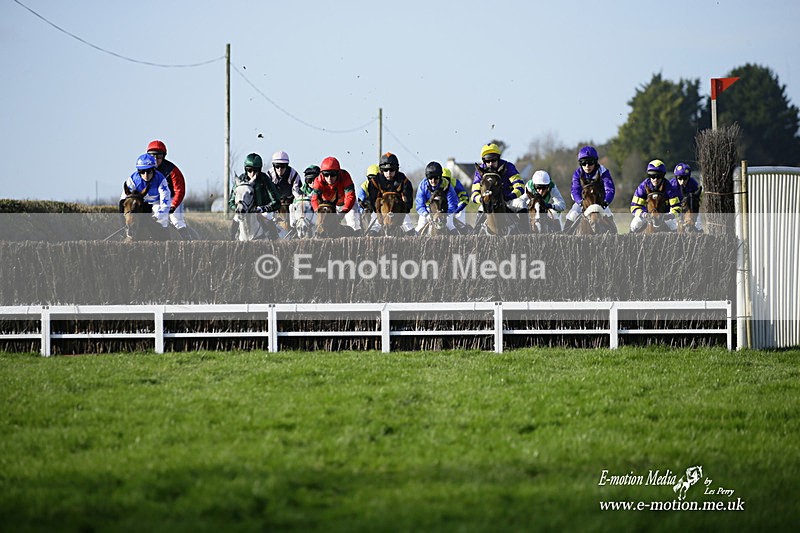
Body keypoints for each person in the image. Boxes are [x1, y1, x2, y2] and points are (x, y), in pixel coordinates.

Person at [228, 153, 281, 239]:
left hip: (262, 210)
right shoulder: (240, 180)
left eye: (255, 170)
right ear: (246, 169)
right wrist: (238, 207)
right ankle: (231, 242)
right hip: (244, 210)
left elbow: (276, 201)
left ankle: (275, 244)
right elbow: (231, 201)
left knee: (268, 217)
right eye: (249, 170)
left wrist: (263, 208)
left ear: (259, 170)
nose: (252, 173)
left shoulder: (264, 179)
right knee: (235, 218)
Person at [120, 153, 172, 239]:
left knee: (163, 221)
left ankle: (166, 242)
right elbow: (123, 201)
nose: (146, 175)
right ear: (138, 172)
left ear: (154, 170)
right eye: (142, 172)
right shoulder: (132, 180)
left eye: (149, 171)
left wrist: (156, 217)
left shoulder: (161, 180)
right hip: (141, 203)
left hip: (156, 203)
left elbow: (165, 204)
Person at [146, 140, 190, 239]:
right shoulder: (144, 169)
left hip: (171, 198)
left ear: (164, 156)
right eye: (153, 156)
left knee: (176, 220)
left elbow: (179, 190)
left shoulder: (172, 170)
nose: (156, 160)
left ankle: (187, 241)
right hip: (155, 199)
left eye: (159, 157)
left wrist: (173, 205)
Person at [366, 152, 415, 234]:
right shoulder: (375, 181)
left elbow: (408, 202)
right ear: (381, 170)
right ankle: (371, 236)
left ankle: (413, 236)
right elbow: (373, 201)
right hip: (381, 210)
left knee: (408, 224)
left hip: (398, 211)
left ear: (396, 169)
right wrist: (381, 214)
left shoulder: (403, 180)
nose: (389, 173)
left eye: (391, 170)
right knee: (374, 227)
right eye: (386, 170)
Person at [565, 146, 615, 225]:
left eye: (590, 162)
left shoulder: (603, 171)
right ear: (580, 163)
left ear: (595, 162)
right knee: (571, 215)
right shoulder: (577, 173)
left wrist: (606, 202)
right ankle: (564, 236)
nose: (587, 166)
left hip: (599, 201)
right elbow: (575, 190)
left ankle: (616, 237)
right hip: (583, 201)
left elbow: (610, 189)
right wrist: (580, 202)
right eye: (584, 163)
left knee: (609, 216)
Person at [310, 156, 360, 233]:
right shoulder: (318, 181)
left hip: (346, 204)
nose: (329, 178)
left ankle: (357, 235)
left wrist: (344, 211)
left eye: (332, 174)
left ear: (338, 173)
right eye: (326, 174)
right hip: (330, 206)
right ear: (322, 174)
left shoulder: (345, 176)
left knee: (353, 223)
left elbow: (350, 196)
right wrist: (318, 211)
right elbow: (314, 199)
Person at [630, 159, 681, 233]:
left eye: (659, 176)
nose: (655, 179)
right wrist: (643, 214)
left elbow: (677, 207)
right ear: (649, 175)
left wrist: (670, 215)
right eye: (652, 176)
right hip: (646, 215)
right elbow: (634, 207)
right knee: (635, 224)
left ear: (663, 176)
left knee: (673, 226)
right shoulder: (642, 187)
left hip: (664, 215)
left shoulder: (669, 188)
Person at [415, 161, 459, 233]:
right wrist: (426, 214)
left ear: (440, 177)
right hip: (428, 209)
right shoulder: (423, 185)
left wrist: (445, 213)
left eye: (436, 178)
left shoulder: (446, 185)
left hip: (444, 210)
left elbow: (453, 203)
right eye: (430, 178)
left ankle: (458, 242)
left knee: (450, 225)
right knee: (419, 227)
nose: (433, 181)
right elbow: (420, 205)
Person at [670, 162, 703, 231]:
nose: (683, 181)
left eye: (685, 178)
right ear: (676, 177)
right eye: (680, 178)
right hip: (674, 207)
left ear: (688, 177)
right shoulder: (672, 185)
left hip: (689, 208)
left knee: (699, 224)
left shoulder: (693, 183)